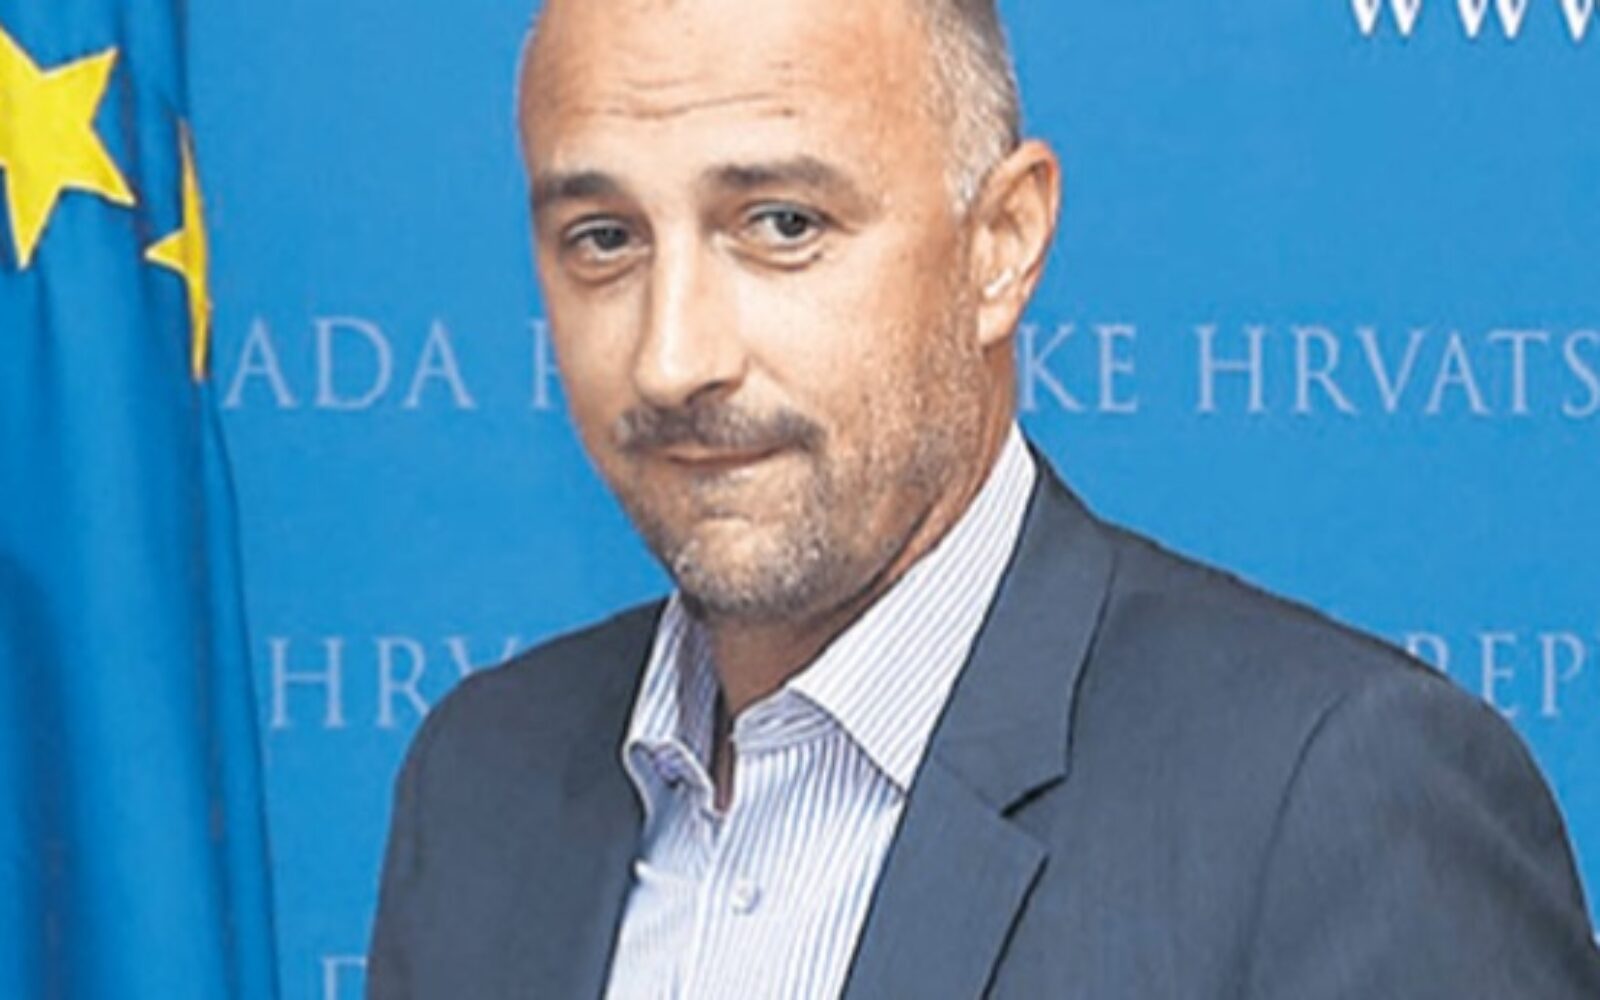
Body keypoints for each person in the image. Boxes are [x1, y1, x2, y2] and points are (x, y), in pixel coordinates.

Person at [367, 0, 1600, 996]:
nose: (672, 356)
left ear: (1001, 242)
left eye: (781, 224)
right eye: (603, 239)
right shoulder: (481, 777)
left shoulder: (1329, 800)